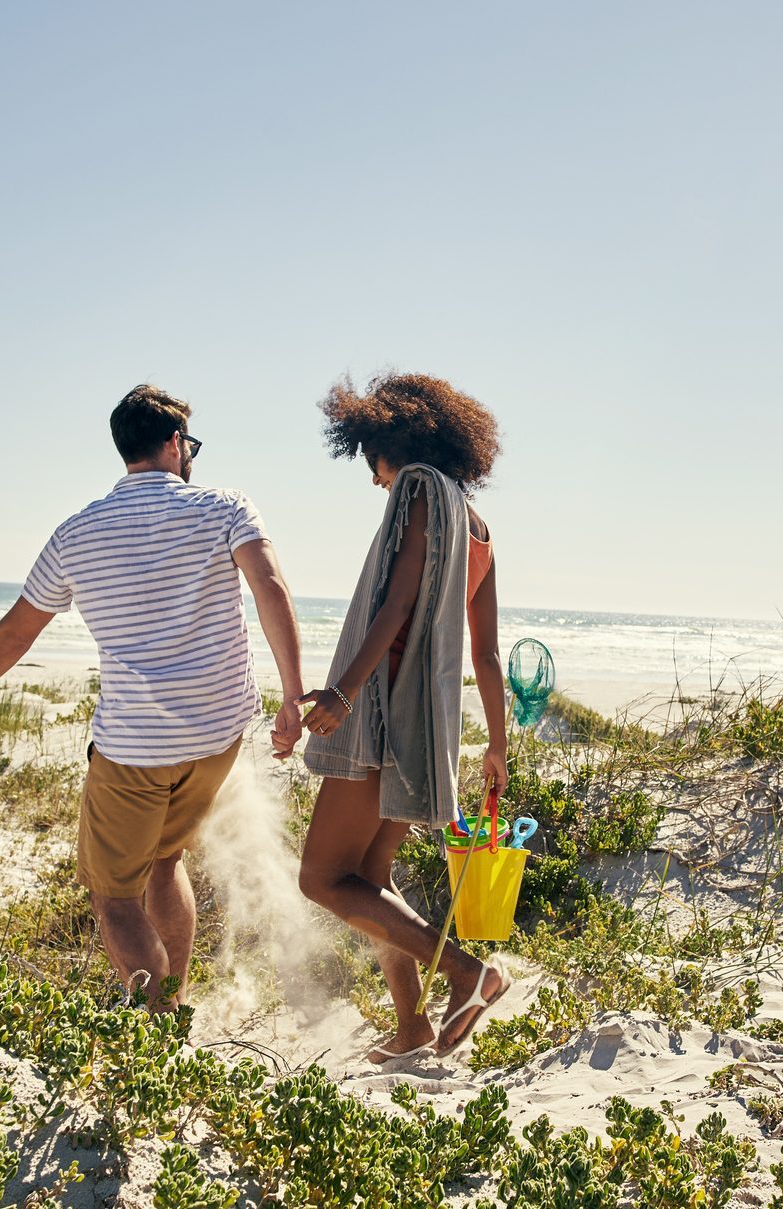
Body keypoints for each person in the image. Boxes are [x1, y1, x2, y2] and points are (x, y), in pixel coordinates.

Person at [0, 385, 305, 1011]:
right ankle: (174, 1001)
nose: (189, 453)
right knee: (165, 862)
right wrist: (293, 696)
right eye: (187, 443)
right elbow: (269, 585)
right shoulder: (226, 507)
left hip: (135, 746)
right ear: (171, 444)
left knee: (114, 897)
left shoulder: (76, 533)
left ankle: (159, 1025)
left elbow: (19, 628)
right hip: (216, 740)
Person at [296, 372, 510, 1061]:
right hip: (428, 727)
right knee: (372, 880)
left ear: (394, 442)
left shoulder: (418, 489)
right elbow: (487, 655)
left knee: (322, 878)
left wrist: (343, 693)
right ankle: (413, 1025)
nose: (376, 480)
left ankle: (469, 974)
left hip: (385, 713)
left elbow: (396, 604)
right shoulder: (476, 527)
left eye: (372, 462)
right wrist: (496, 748)